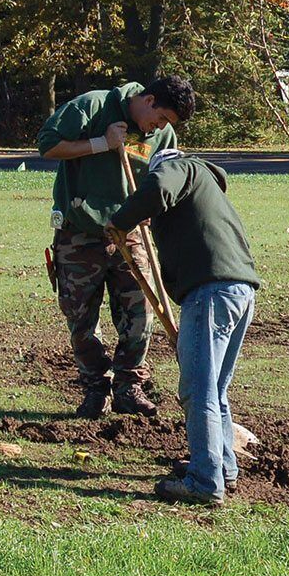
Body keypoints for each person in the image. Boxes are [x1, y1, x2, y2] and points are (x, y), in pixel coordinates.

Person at [106, 149, 260, 506]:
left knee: (197, 390)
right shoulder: (206, 193)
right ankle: (223, 467)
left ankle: (204, 482)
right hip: (239, 291)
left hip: (211, 292)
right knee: (214, 389)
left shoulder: (182, 168)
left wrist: (120, 221)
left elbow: (160, 185)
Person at [38, 77, 195, 419]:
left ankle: (129, 387)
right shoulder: (93, 106)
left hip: (131, 233)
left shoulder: (163, 135)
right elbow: (47, 145)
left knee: (142, 313)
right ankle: (96, 388)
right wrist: (101, 143)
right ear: (148, 100)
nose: (161, 128)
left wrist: (153, 210)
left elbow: (164, 182)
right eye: (161, 118)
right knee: (80, 318)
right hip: (80, 233)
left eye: (168, 124)